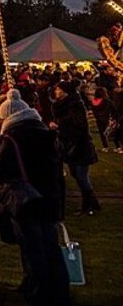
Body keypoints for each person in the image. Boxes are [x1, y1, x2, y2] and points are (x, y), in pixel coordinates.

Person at [0, 89, 71, 306]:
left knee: (34, 251)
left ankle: (40, 302)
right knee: (51, 250)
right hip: (49, 199)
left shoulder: (12, 139)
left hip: (27, 202)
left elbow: (1, 173)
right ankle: (59, 297)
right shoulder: (45, 134)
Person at [50, 81, 101, 215]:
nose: (56, 91)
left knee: (81, 175)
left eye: (58, 89)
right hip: (70, 144)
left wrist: (59, 125)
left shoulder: (75, 105)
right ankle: (92, 202)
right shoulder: (61, 105)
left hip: (79, 145)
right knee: (76, 174)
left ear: (65, 91)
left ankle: (87, 206)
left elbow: (79, 125)